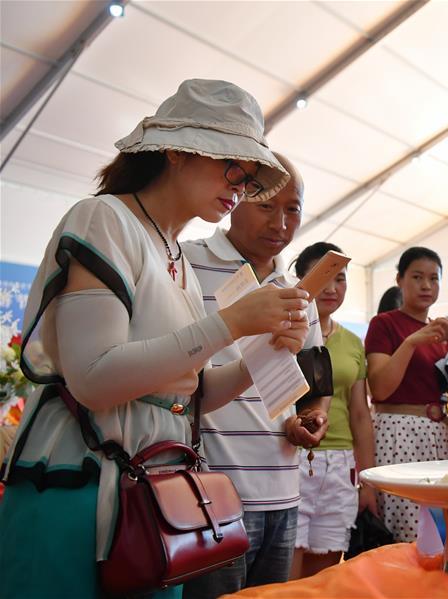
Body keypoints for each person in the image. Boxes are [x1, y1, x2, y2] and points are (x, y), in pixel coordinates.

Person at [0, 79, 325, 598]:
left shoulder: (175, 256)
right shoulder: (104, 219)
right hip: (81, 487)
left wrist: (259, 350)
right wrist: (234, 323)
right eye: (231, 165)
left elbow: (191, 395)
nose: (240, 184)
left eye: (248, 174)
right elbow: (94, 378)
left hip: (155, 498)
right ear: (177, 151)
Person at [182, 153, 330, 598]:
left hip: (284, 491)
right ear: (236, 198)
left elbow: (315, 380)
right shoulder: (187, 262)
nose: (281, 222)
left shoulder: (297, 290)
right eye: (267, 205)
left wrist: (313, 418)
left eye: (293, 208)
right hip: (210, 496)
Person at [365, 247, 448, 541]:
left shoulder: (442, 333)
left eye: (433, 279)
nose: (426, 286)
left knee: (447, 529)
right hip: (398, 432)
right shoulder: (384, 324)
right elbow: (380, 388)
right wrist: (412, 342)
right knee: (407, 530)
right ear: (400, 280)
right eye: (417, 277)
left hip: (439, 433)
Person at [290, 242, 376, 578]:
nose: (331, 288)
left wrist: (368, 482)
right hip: (291, 457)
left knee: (326, 578)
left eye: (340, 279)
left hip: (341, 468)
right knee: (288, 577)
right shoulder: (286, 331)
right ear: (300, 279)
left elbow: (360, 414)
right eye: (321, 277)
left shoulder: (353, 343)